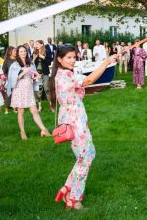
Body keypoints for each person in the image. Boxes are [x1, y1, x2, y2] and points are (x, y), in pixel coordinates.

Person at [50, 46, 118, 210]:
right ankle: (74, 198)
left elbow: (84, 80)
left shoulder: (65, 73)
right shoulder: (65, 75)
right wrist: (107, 62)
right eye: (69, 58)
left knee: (88, 154)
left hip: (77, 118)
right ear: (59, 59)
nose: (73, 60)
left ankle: (67, 188)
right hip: (74, 121)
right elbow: (89, 81)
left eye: (74, 57)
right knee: (86, 157)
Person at [7, 45, 51, 140]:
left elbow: (33, 74)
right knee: (21, 111)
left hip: (29, 89)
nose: (23, 53)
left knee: (34, 111)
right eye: (21, 51)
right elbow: (12, 80)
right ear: (18, 53)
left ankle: (43, 129)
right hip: (19, 90)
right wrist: (23, 72)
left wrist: (36, 76)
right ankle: (22, 132)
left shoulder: (30, 63)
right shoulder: (14, 65)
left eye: (24, 51)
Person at [1, 46, 17, 115]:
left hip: (17, 79)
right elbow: (4, 71)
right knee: (8, 94)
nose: (15, 52)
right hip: (9, 80)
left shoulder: (17, 60)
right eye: (14, 51)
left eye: (15, 51)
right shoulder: (7, 60)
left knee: (15, 94)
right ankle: (6, 109)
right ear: (10, 52)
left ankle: (14, 108)